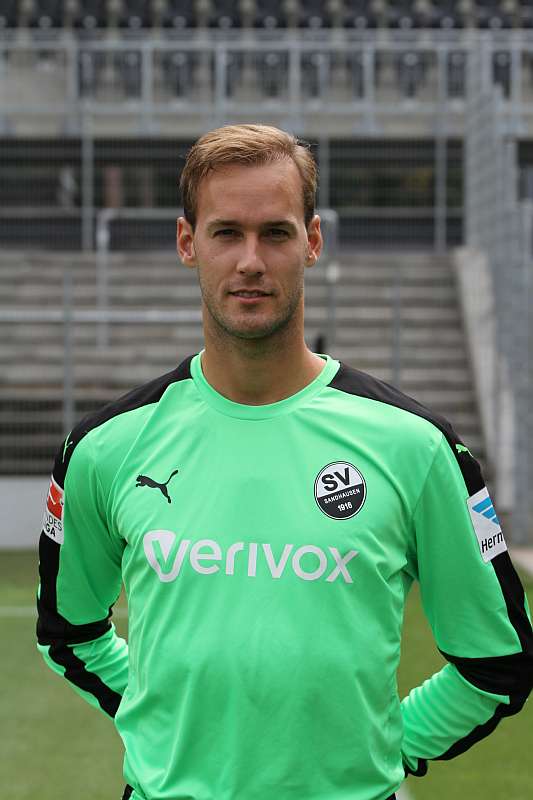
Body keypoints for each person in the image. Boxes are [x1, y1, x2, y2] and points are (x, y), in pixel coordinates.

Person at [36, 123, 533, 800]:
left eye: (274, 233)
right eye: (225, 233)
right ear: (188, 243)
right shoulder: (107, 446)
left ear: (312, 241)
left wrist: (384, 748)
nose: (250, 261)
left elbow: (495, 662)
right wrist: (162, 723)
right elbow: (70, 631)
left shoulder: (414, 445)